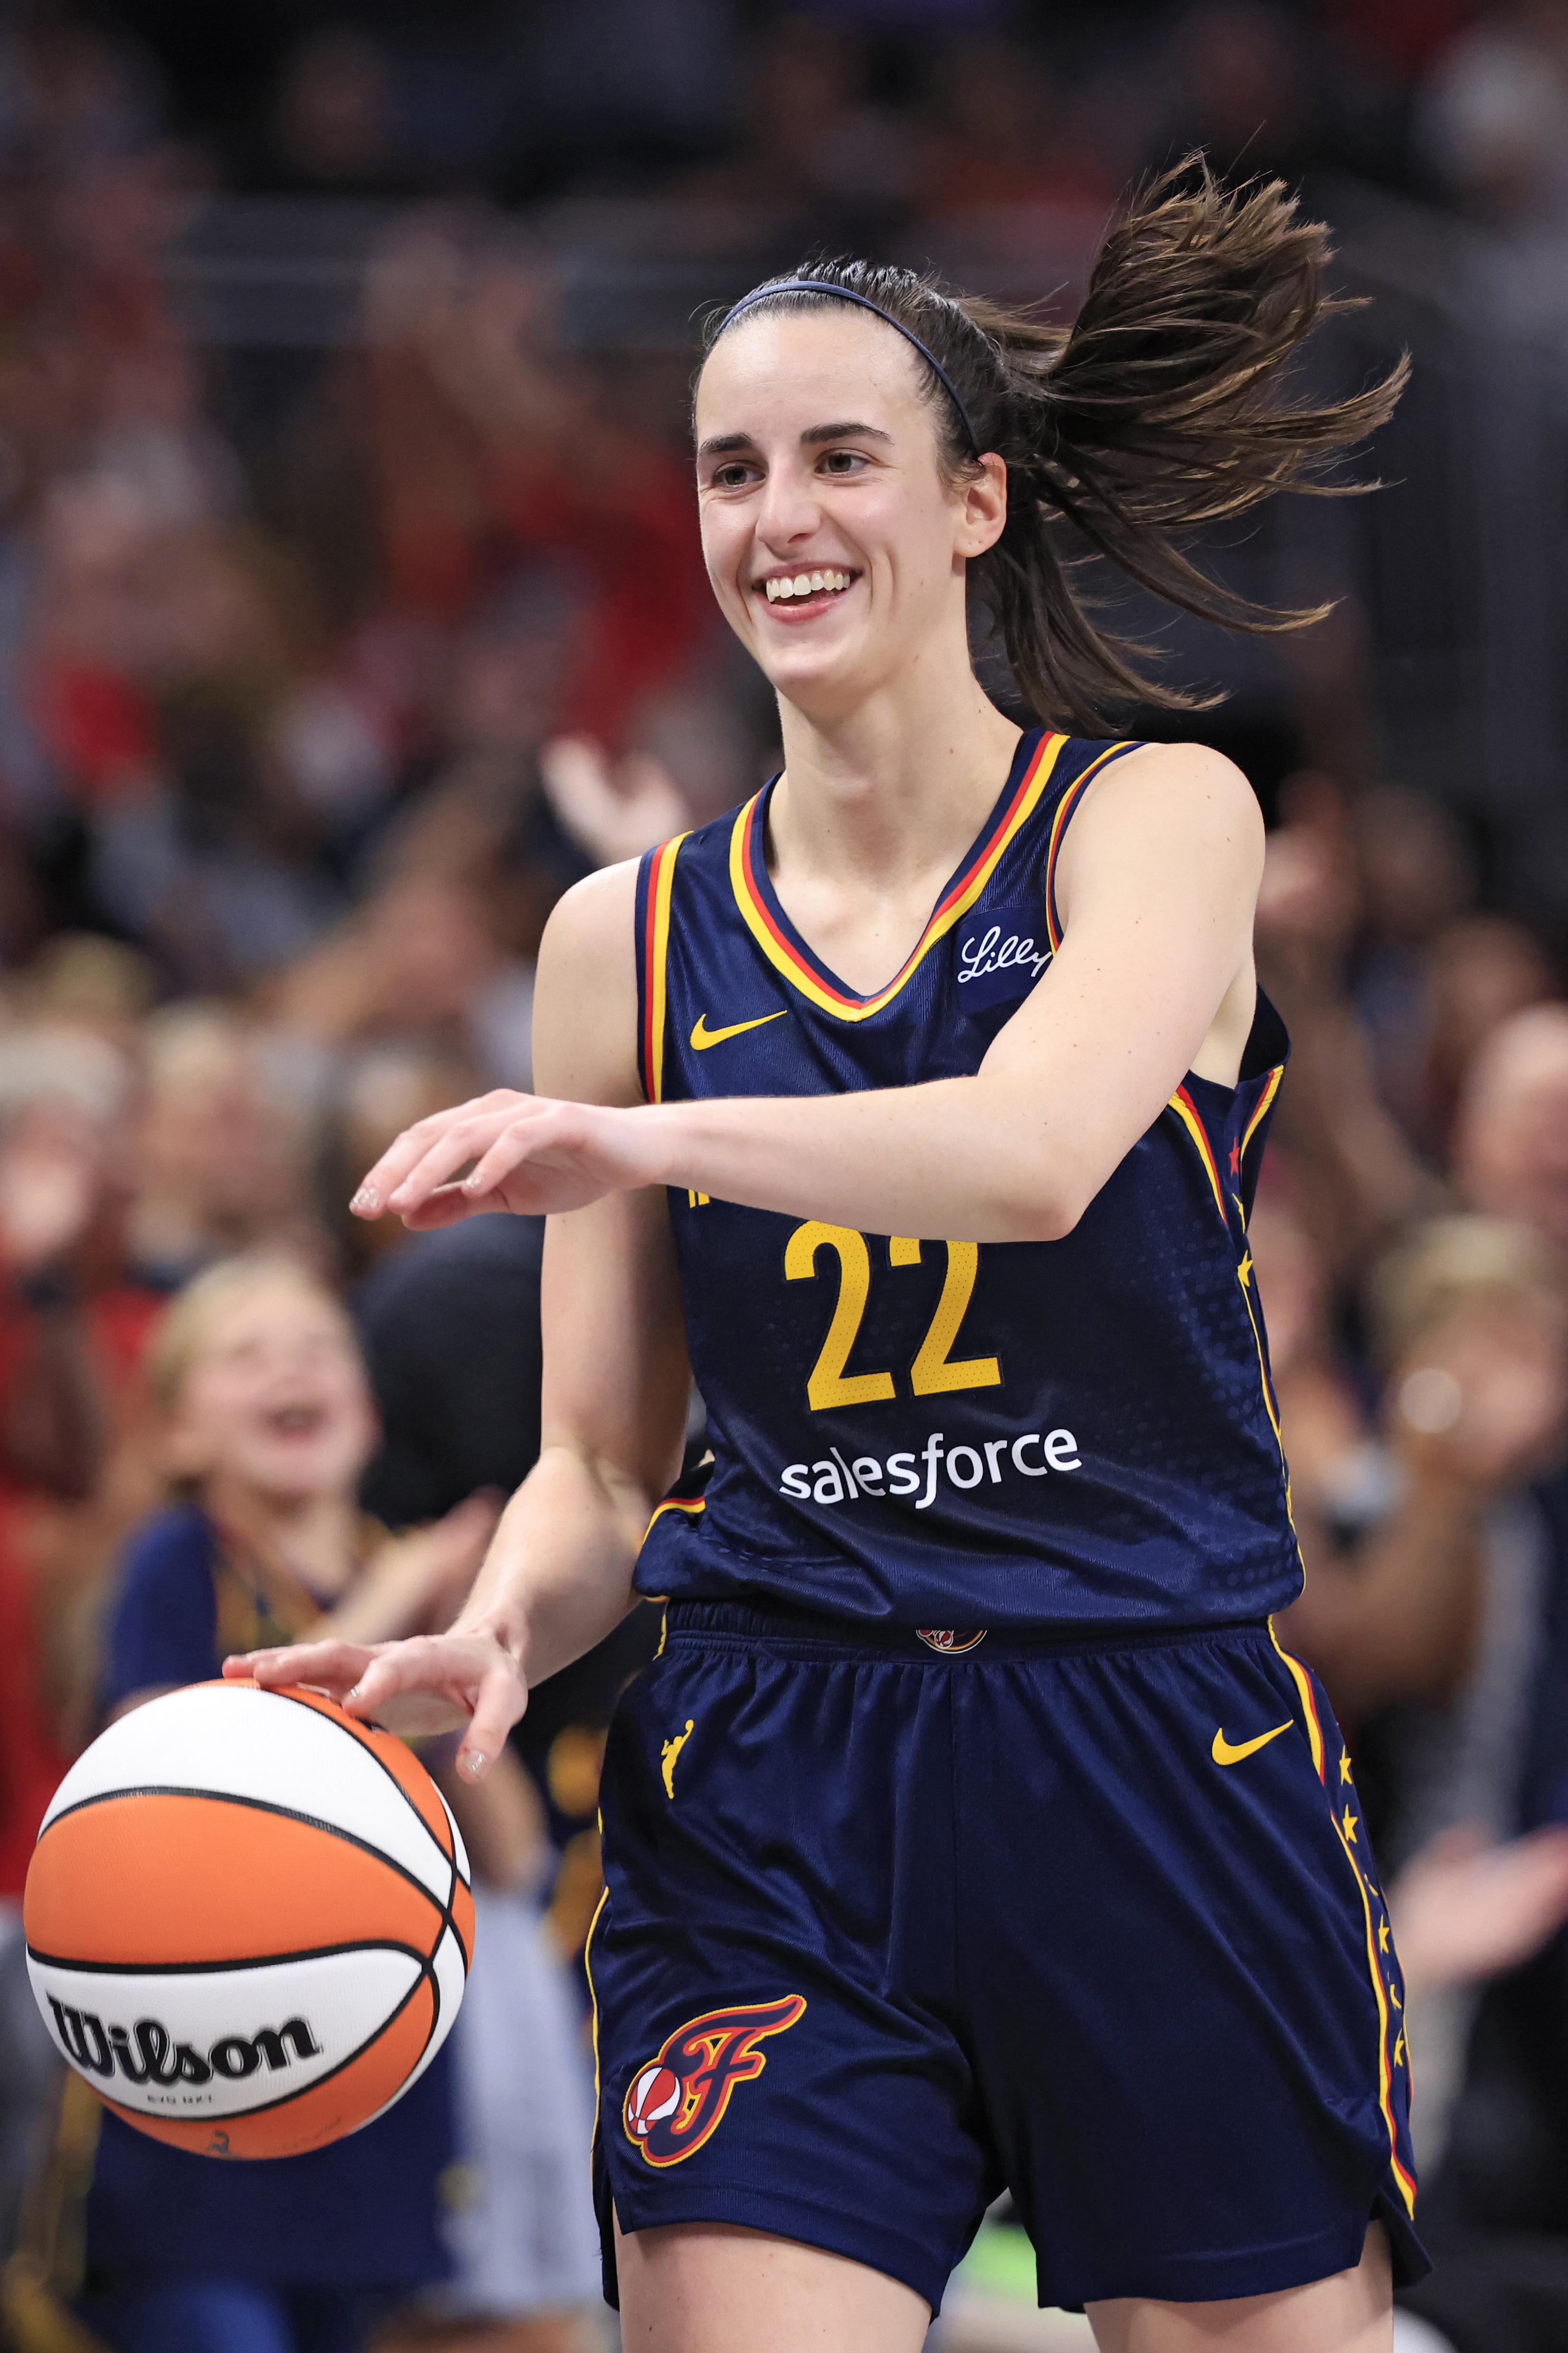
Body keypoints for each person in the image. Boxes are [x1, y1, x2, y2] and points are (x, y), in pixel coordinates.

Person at [234, 165, 1421, 2353]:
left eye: (836, 457)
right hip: (776, 1755)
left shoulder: (1148, 818)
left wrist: (627, 1132)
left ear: (974, 500)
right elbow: (600, 1467)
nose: (774, 515)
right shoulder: (624, 936)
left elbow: (1040, 1151)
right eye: (727, 468)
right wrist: (498, 1629)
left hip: (1153, 1726)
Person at [79, 1253, 551, 2353]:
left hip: (367, 2084)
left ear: (370, 1409)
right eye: (247, 1353)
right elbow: (176, 1772)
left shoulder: (415, 1572)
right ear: (182, 1434)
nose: (291, 1363)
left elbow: (518, 1859)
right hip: (199, 2085)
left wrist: (463, 1703)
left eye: (319, 1345)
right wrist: (387, 1620)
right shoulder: (177, 1560)